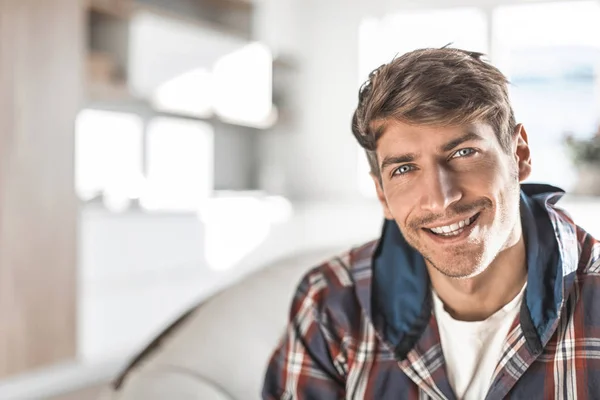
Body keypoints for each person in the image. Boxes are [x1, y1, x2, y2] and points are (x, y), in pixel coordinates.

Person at [261, 47, 600, 399]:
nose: (441, 198)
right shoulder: (330, 306)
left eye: (463, 152)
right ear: (382, 193)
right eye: (404, 169)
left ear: (519, 155)